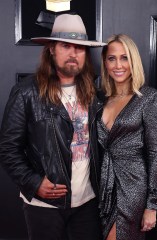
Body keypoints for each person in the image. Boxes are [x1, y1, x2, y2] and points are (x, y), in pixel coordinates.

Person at [0, 14, 106, 240]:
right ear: (51, 49)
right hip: (44, 205)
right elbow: (8, 148)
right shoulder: (26, 92)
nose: (72, 54)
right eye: (65, 45)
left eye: (79, 48)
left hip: (87, 201)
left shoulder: (94, 93)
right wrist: (34, 182)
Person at [97, 34, 157, 240]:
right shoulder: (101, 99)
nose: (118, 65)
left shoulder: (149, 98)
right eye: (112, 58)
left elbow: (155, 153)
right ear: (105, 63)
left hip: (132, 185)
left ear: (133, 61)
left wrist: (152, 205)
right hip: (101, 184)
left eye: (125, 58)